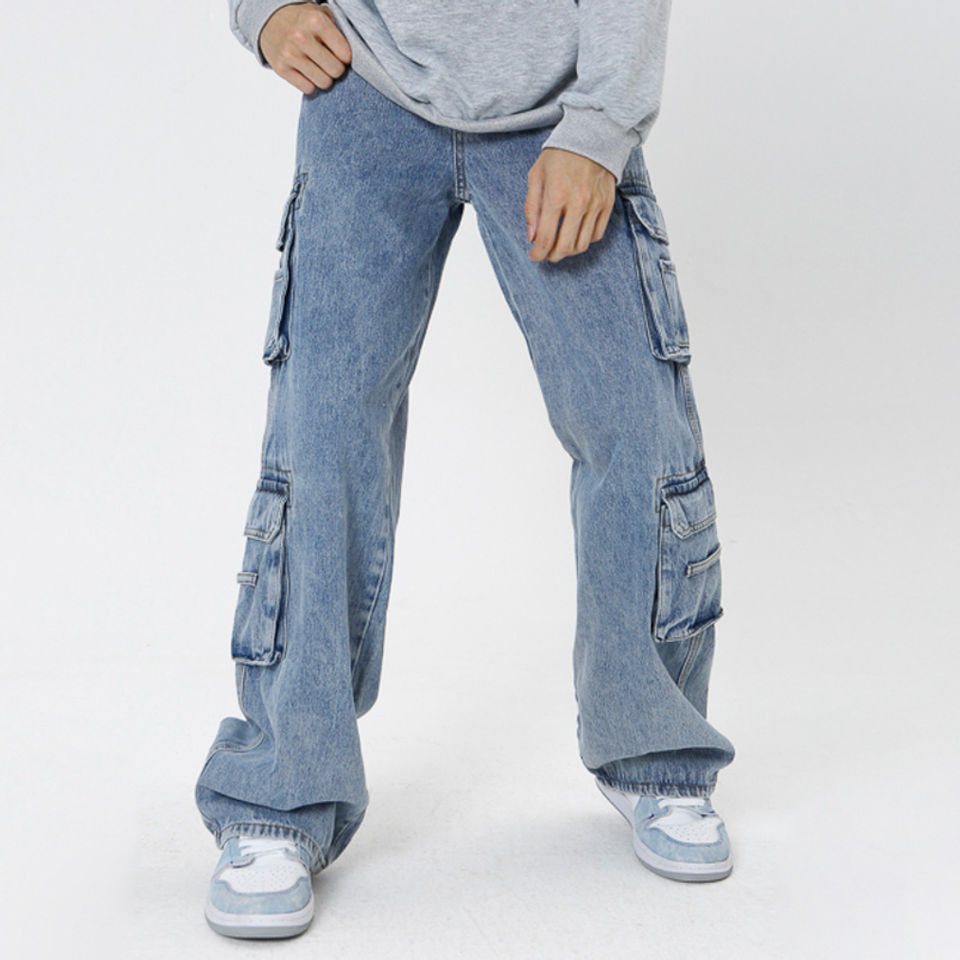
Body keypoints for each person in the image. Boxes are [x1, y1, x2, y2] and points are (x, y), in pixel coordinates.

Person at [198, 0, 737, 940]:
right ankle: (280, 790)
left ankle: (657, 750)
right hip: (364, 83)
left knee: (632, 421)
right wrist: (265, 9)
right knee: (321, 433)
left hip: (557, 111)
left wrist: (602, 123)